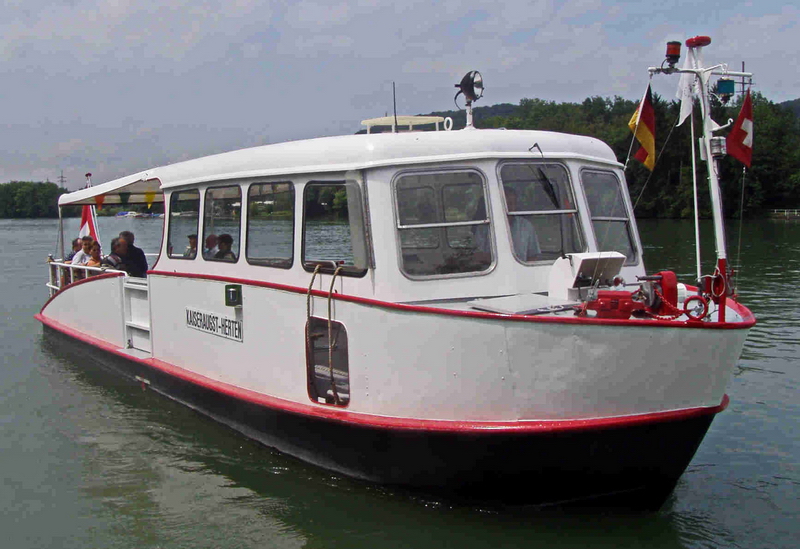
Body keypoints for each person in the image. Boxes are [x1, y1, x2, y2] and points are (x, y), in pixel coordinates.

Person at [504, 186, 541, 261]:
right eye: (507, 203)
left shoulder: (526, 226)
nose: (510, 207)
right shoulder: (486, 227)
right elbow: (479, 256)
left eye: (513, 203)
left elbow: (533, 257)